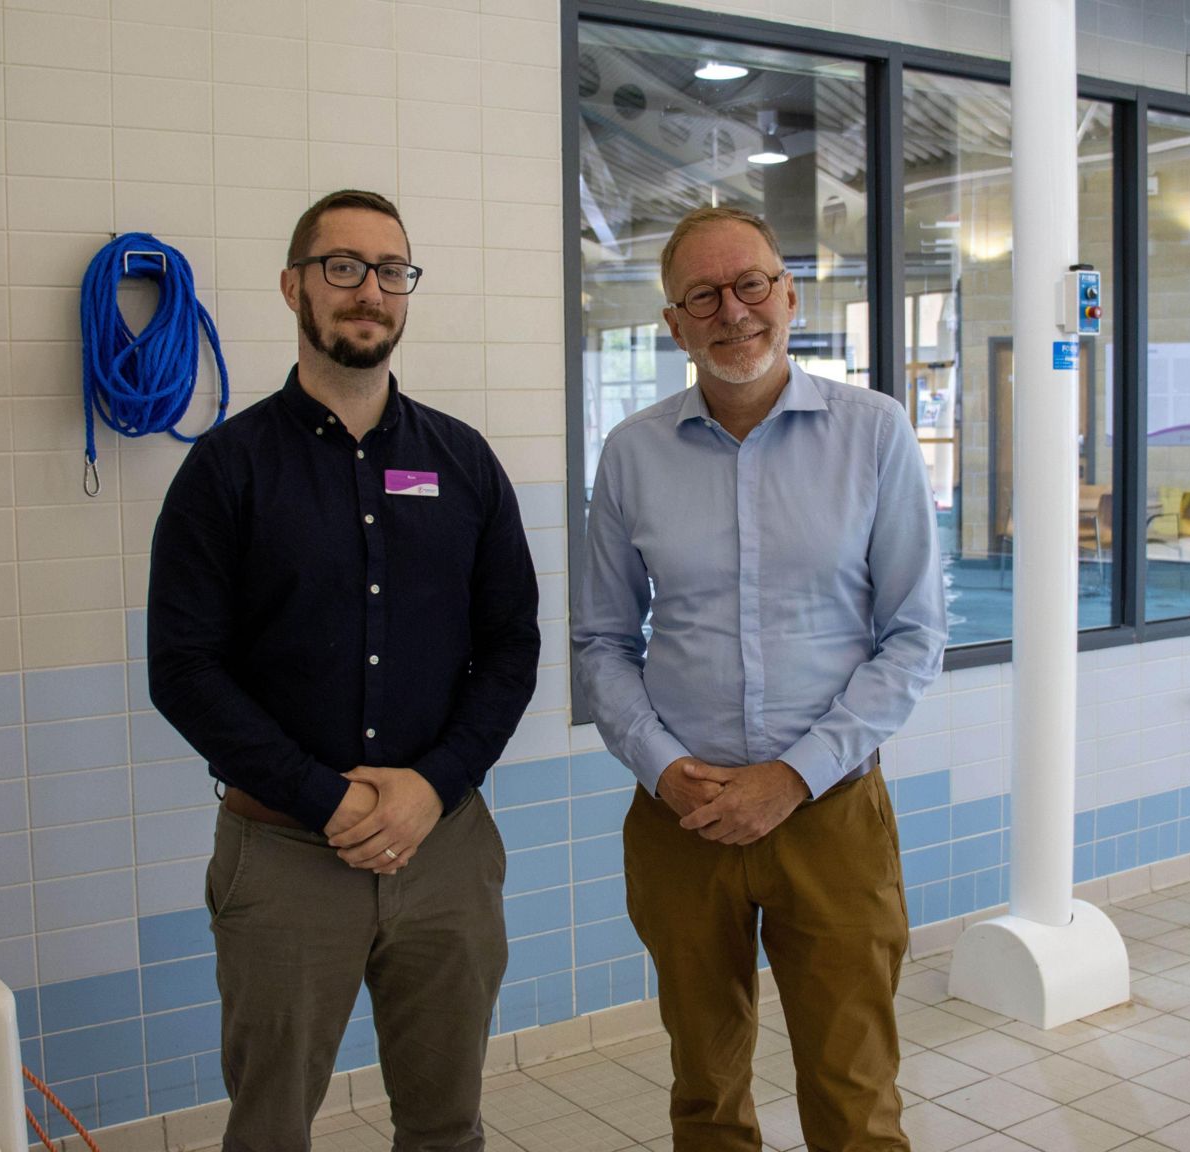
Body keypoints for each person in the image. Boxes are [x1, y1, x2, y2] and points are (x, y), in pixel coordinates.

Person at [149, 188, 540, 1151]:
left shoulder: (464, 463)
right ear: (293, 287)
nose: (370, 290)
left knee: (447, 1125)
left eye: (391, 270)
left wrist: (433, 785)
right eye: (342, 267)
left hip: (444, 849)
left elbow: (514, 646)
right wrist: (325, 798)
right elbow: (183, 668)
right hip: (283, 857)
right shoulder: (226, 470)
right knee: (272, 1129)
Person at [573, 204, 946, 1151]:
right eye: (702, 295)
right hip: (682, 818)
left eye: (750, 285)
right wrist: (662, 766)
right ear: (674, 323)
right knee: (703, 1087)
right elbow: (601, 643)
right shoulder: (633, 454)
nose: (732, 312)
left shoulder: (874, 434)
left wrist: (793, 776)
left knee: (854, 1092)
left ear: (788, 294)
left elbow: (912, 636)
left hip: (828, 813)